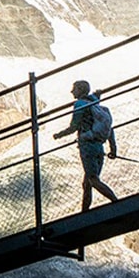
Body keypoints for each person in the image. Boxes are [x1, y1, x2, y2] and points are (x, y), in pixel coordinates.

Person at [54, 80, 119, 210]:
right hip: (99, 146)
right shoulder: (95, 103)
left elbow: (74, 126)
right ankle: (84, 211)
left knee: (93, 180)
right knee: (87, 183)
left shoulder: (80, 104)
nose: (72, 91)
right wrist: (113, 148)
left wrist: (59, 135)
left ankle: (117, 203)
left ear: (80, 90)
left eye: (75, 89)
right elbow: (109, 128)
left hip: (87, 146)